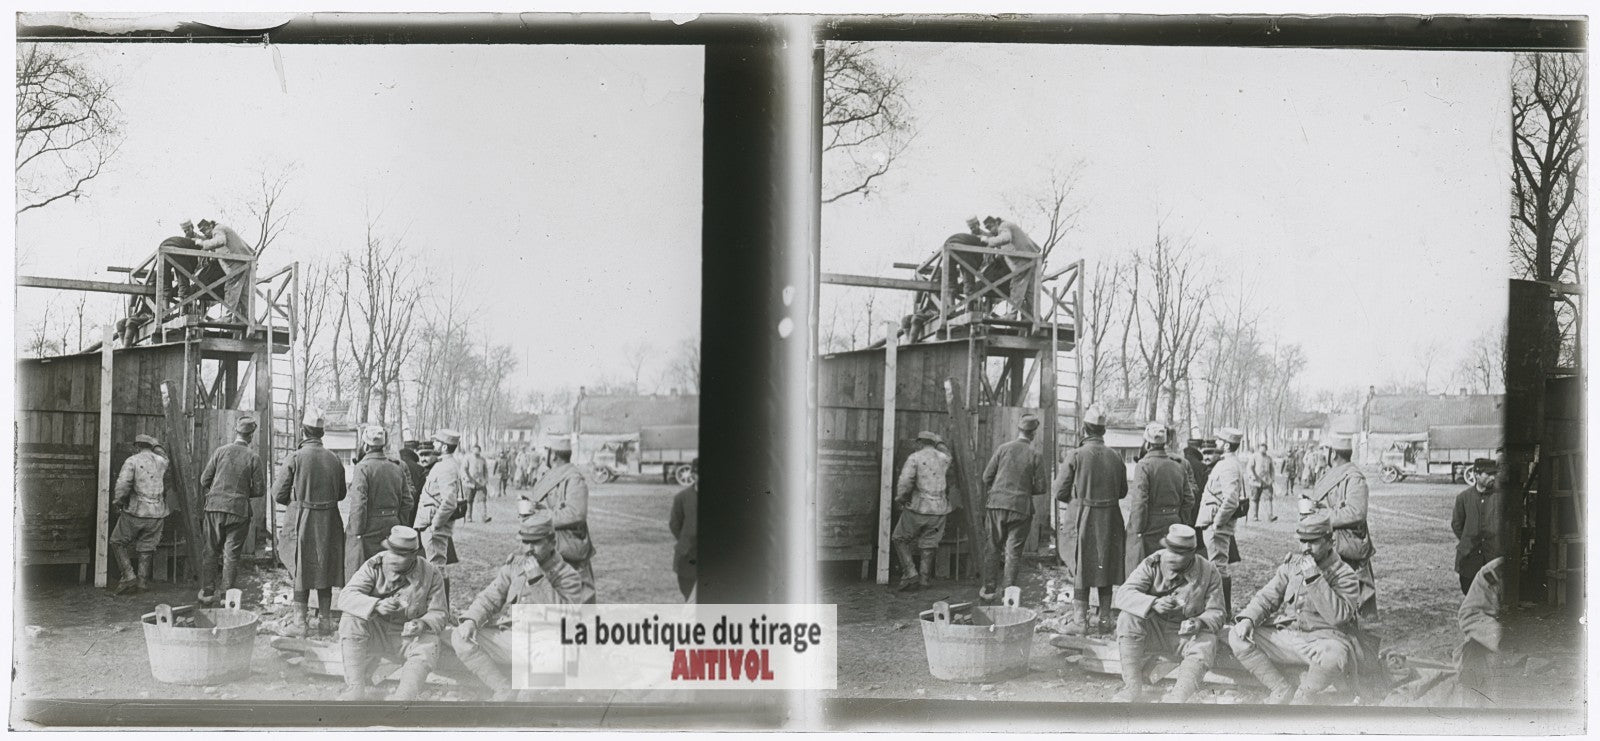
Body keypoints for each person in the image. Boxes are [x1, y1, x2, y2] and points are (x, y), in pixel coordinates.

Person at [1229, 512, 1363, 705]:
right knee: (1237, 635)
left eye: (1313, 542)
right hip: (1289, 635)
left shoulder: (1345, 575)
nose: (1306, 548)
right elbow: (1267, 596)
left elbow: (1339, 617)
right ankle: (1280, 689)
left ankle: (1304, 695)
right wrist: (1249, 619)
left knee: (1335, 656)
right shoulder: (1293, 566)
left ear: (1329, 542)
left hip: (1323, 641)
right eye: (1303, 541)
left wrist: (1314, 578)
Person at [452, 511, 586, 699]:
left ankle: (528, 695)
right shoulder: (515, 566)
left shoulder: (567, 575)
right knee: (459, 636)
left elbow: (567, 620)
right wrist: (471, 620)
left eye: (536, 542)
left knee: (558, 660)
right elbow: (490, 597)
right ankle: (502, 688)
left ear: (552, 542)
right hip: (511, 638)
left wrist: (538, 579)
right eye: (525, 542)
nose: (529, 548)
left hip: (547, 643)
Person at [1112, 524, 1226, 703]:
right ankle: (1132, 689)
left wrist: (1199, 622)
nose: (1171, 557)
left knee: (1207, 641)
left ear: (1192, 554)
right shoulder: (1153, 563)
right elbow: (1123, 594)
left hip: (1185, 637)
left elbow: (1218, 611)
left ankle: (1177, 698)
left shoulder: (1209, 571)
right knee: (1128, 618)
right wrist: (1153, 603)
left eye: (1179, 553)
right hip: (1153, 632)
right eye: (1169, 550)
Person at [337, 525, 449, 702]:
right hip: (376, 635)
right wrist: (376, 605)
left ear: (414, 555)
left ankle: (404, 698)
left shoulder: (431, 573)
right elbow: (345, 597)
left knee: (430, 642)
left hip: (407, 638)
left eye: (401, 555)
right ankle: (355, 689)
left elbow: (440, 612)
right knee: (351, 618)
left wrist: (422, 623)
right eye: (391, 551)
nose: (393, 559)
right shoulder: (375, 565)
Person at [272, 406, 349, 637]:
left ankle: (300, 622)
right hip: (329, 521)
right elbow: (342, 494)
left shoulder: (295, 458)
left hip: (302, 520)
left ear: (303, 431)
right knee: (324, 566)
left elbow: (278, 494)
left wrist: (297, 501)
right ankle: (325, 621)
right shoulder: (334, 459)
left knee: (301, 567)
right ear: (321, 433)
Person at [1055, 406, 1129, 634]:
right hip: (1110, 517)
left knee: (1082, 566)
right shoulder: (1115, 456)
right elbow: (1123, 492)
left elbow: (1059, 492)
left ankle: (1080, 621)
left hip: (1083, 517)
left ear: (1084, 429)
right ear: (1103, 431)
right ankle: (1105, 619)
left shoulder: (1075, 455)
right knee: (1105, 564)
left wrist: (1078, 499)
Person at [1303, 432, 1377, 621]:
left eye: (1325, 450)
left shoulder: (1354, 478)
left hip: (1348, 547)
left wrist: (1322, 516)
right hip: (1331, 543)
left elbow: (1356, 512)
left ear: (1333, 453)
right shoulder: (1331, 474)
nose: (1322, 454)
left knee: (1355, 595)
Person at [198, 417, 265, 606]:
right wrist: (240, 494)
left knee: (210, 551)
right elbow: (259, 490)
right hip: (238, 510)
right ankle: (226, 596)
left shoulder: (220, 452)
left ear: (236, 431)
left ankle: (208, 592)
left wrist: (218, 492)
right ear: (251, 435)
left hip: (214, 508)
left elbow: (204, 480)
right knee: (231, 554)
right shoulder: (253, 457)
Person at [980, 414, 1047, 602]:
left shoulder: (1003, 449)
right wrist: (1024, 490)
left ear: (1019, 430)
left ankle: (989, 590)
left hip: (996, 505)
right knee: (1013, 552)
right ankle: (1008, 593)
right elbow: (1041, 487)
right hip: (1021, 508)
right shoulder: (1035, 455)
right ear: (1033, 433)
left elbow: (986, 477)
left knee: (992, 547)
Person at [523, 438, 597, 602]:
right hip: (552, 547)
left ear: (554, 455)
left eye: (547, 452)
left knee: (578, 600)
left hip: (569, 550)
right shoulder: (553, 475)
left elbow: (576, 513)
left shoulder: (573, 478)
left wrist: (542, 518)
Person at [1126, 423, 1196, 576]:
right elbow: (1189, 499)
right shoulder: (1178, 466)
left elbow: (1140, 500)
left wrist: (1138, 529)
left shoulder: (1144, 465)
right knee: (1168, 572)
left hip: (1150, 527)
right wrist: (1180, 520)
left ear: (1148, 443)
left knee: (1146, 573)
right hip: (1173, 524)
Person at [346, 425, 414, 581]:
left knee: (363, 576)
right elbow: (408, 501)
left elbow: (359, 502)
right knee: (387, 575)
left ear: (366, 445)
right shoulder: (396, 467)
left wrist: (357, 531)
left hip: (368, 529)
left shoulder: (362, 467)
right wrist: (399, 524)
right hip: (392, 525)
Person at [1194, 427, 1246, 620]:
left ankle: (1223, 613)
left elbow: (1231, 499)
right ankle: (1219, 610)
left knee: (1218, 568)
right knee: (1217, 567)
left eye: (1219, 441)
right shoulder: (1229, 463)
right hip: (1215, 523)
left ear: (1226, 444)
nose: (1215, 444)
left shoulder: (1227, 466)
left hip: (1216, 524)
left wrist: (1217, 522)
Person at [109, 434, 171, 595]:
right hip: (157, 513)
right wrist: (156, 444)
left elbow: (123, 484)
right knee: (147, 547)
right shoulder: (161, 461)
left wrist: (118, 501)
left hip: (137, 512)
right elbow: (164, 455)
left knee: (117, 541)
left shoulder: (132, 461)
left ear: (136, 446)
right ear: (150, 447)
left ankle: (129, 576)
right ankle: (142, 581)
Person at [892, 431, 953, 592]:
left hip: (919, 507)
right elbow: (948, 453)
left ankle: (911, 574)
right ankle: (925, 579)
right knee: (929, 544)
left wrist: (901, 498)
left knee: (899, 538)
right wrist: (940, 441)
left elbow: (905, 482)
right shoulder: (943, 458)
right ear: (933, 443)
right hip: (939, 510)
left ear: (919, 442)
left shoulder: (915, 457)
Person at [1452, 458, 1503, 595]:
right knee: (1469, 593)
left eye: (1494, 474)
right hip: (1469, 558)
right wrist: (1469, 539)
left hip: (1492, 558)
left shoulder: (1500, 498)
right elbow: (1457, 524)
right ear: (1476, 474)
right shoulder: (1463, 498)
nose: (1492, 477)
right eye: (1488, 474)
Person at [414, 429, 464, 568]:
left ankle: (440, 591)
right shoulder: (444, 464)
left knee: (436, 569)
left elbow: (449, 502)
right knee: (434, 568)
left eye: (437, 442)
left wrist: (434, 525)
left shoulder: (446, 467)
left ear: (444, 447)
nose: (434, 444)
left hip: (433, 527)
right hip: (430, 524)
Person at [978, 215, 1041, 319]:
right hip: (1031, 258)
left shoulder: (1004, 226)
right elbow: (1010, 245)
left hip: (1023, 260)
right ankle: (1033, 317)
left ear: (996, 223)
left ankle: (1011, 315)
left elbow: (1006, 238)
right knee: (1030, 291)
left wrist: (989, 241)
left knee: (1016, 286)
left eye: (990, 227)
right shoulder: (1007, 227)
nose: (990, 231)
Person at [192, 218, 255, 321]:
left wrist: (203, 244)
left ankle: (227, 316)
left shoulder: (218, 229)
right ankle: (246, 319)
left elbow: (221, 241)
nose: (205, 234)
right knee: (243, 293)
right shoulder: (222, 229)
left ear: (209, 227)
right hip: (245, 262)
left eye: (205, 231)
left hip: (237, 264)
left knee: (230, 287)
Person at [669, 460, 699, 600]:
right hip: (687, 559)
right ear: (693, 475)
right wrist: (687, 539)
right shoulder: (682, 498)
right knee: (689, 596)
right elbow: (675, 524)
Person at [1248, 442, 1277, 523]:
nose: (1262, 449)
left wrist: (1272, 479)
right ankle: (1255, 516)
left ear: (1266, 449)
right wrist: (1252, 476)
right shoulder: (1254, 456)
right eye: (1261, 447)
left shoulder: (1269, 458)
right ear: (1259, 448)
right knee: (1255, 499)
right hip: (1256, 482)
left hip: (1266, 482)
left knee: (1269, 498)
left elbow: (1272, 470)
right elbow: (1249, 467)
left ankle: (1270, 516)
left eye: (1264, 448)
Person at [463, 445, 491, 523]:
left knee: (482, 499)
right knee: (469, 500)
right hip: (469, 483)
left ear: (480, 451)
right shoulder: (467, 458)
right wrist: (466, 477)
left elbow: (486, 471)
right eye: (474, 450)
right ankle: (468, 517)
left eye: (478, 450)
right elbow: (463, 469)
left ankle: (484, 517)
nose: (476, 451)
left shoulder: (482, 460)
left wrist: (486, 480)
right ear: (472, 450)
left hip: (480, 483)